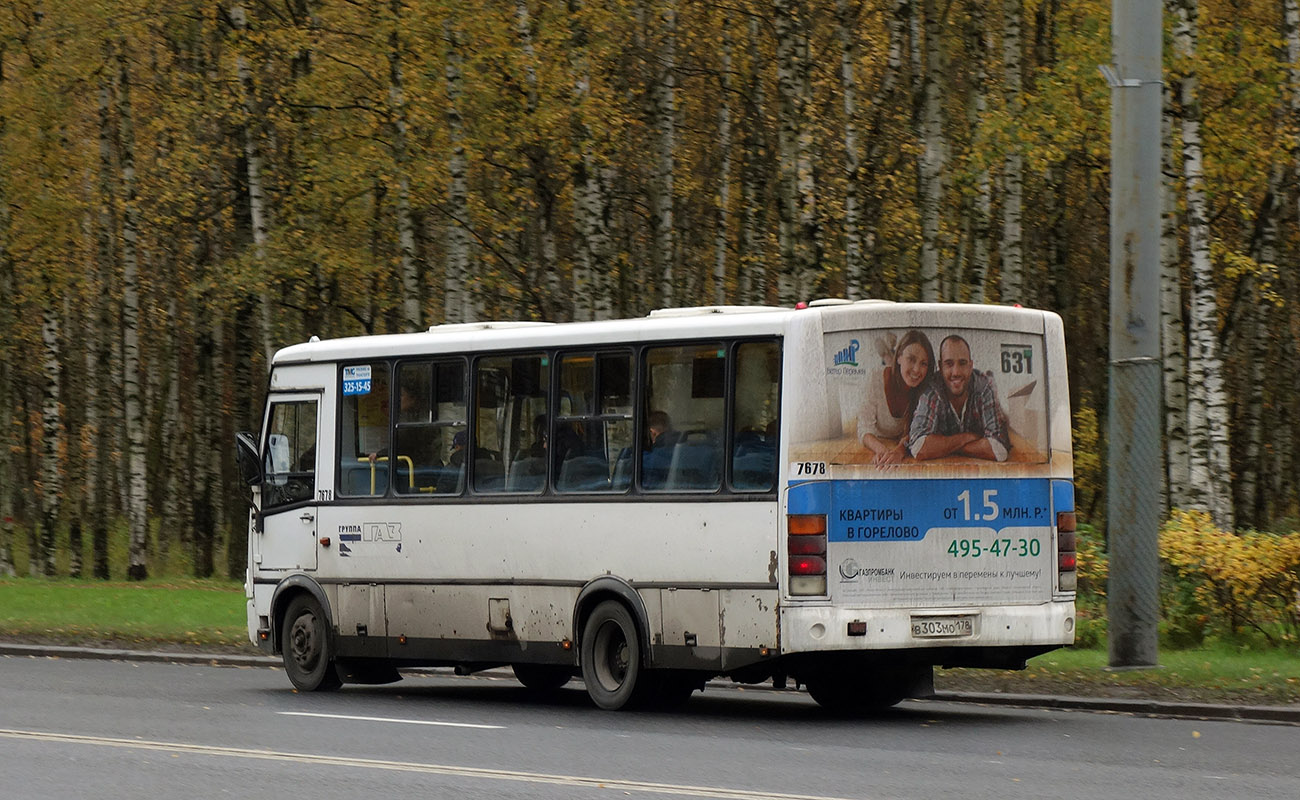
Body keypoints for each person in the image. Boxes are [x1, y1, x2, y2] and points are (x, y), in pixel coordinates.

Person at [906, 334, 1010, 462]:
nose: (956, 372)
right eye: (949, 364)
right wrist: (966, 438)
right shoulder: (932, 388)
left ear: (970, 366)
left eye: (962, 363)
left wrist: (942, 447)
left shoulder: (984, 386)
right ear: (940, 366)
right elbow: (918, 448)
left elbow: (999, 449)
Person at [858, 330, 935, 465]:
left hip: (900, 443)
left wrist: (899, 451)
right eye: (911, 359)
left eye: (923, 363)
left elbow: (917, 432)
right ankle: (887, 353)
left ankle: (887, 353)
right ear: (899, 357)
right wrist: (882, 452)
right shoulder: (875, 378)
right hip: (878, 441)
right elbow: (864, 428)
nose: (917, 369)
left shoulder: (925, 389)